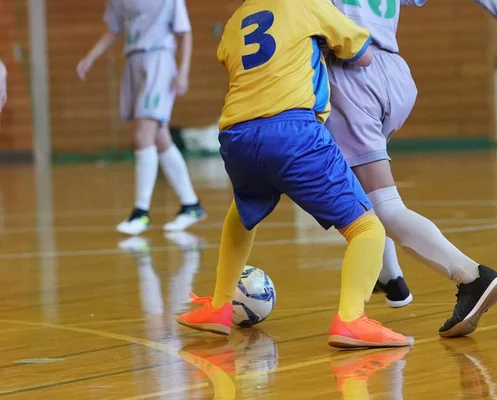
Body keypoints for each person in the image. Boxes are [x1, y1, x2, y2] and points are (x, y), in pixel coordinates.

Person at [176, 0, 411, 349]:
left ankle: (220, 307)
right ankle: (351, 320)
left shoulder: (235, 21)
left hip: (236, 135)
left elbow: (231, 57)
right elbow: (362, 54)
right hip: (293, 131)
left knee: (241, 215)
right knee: (367, 228)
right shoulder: (306, 3)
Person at [326, 0, 497, 338]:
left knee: (382, 202)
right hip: (394, 74)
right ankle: (391, 279)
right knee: (357, 185)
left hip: (351, 73)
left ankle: (471, 276)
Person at [77, 0, 205, 235]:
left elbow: (185, 32)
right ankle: (191, 205)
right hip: (133, 61)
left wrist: (183, 71)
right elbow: (113, 30)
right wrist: (90, 57)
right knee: (160, 138)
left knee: (142, 135)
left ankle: (141, 212)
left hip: (159, 59)